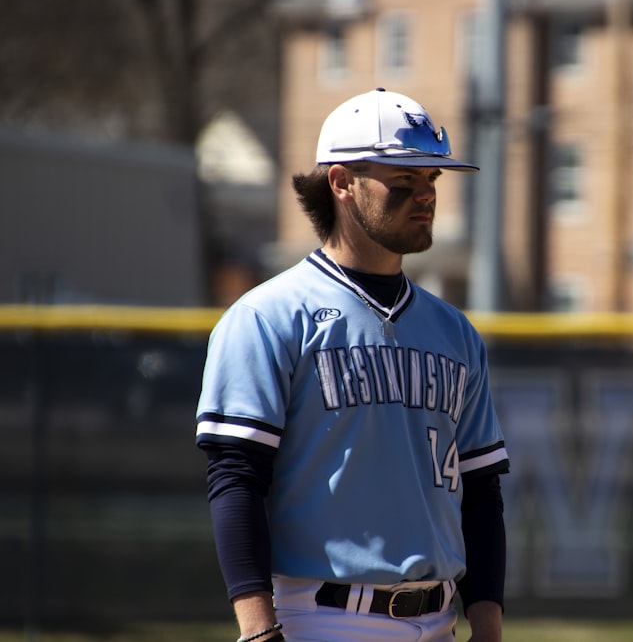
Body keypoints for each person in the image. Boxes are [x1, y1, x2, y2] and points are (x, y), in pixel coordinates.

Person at [196, 87, 510, 642]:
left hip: (439, 620)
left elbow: (482, 490)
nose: (425, 196)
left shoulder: (455, 332)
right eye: (404, 182)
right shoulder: (268, 317)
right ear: (341, 183)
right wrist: (257, 629)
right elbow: (236, 478)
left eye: (431, 180)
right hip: (320, 617)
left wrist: (486, 624)